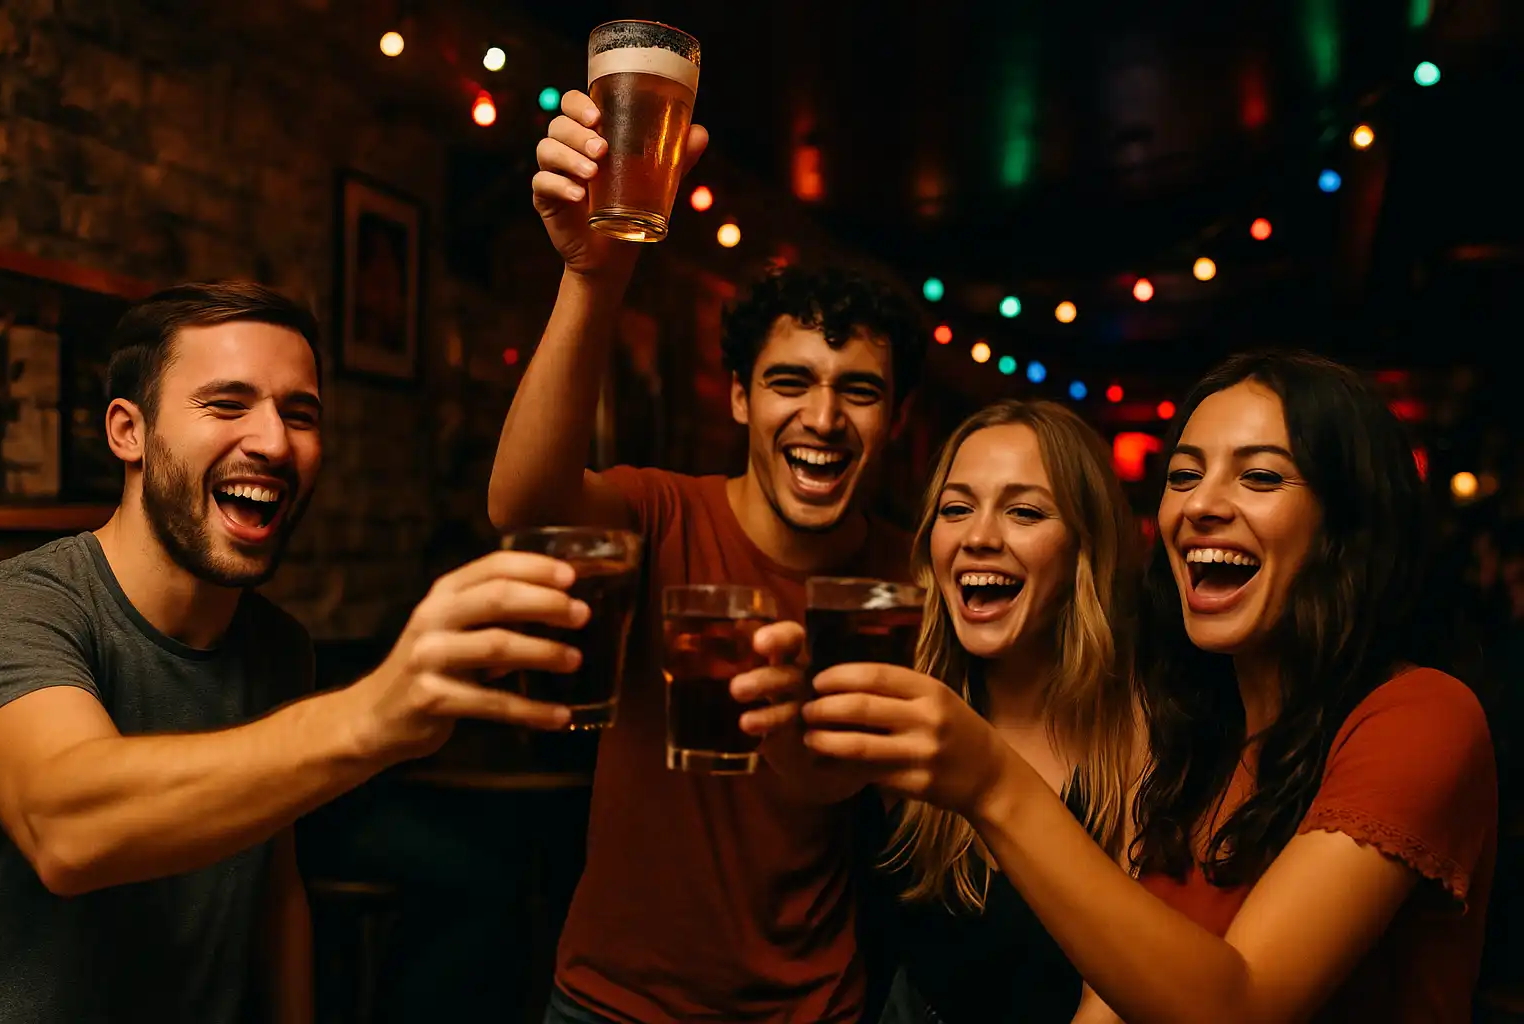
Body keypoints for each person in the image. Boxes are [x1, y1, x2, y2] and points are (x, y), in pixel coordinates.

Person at [800, 350, 1497, 1023]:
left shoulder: (1421, 716)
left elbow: (1242, 1007)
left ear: (1347, 524)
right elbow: (1120, 993)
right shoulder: (1198, 742)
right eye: (1184, 475)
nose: (1201, 504)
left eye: (1259, 477)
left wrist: (990, 782)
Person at [0, 282, 597, 1023]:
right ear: (128, 432)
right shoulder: (20, 607)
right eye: (227, 404)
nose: (275, 443)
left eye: (300, 414)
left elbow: (271, 892)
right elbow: (65, 828)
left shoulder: (276, 646)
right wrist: (369, 716)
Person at [490, 89, 928, 1024]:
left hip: (814, 1009)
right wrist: (590, 280)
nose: (822, 419)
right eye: (789, 382)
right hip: (612, 1002)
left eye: (859, 392)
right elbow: (520, 505)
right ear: (739, 399)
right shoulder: (663, 513)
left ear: (895, 422)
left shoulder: (913, 577)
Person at [832, 399, 1142, 1023]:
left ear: (1085, 547)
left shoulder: (1137, 729)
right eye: (956, 509)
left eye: (1024, 512)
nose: (978, 538)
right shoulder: (901, 702)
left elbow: (1115, 997)